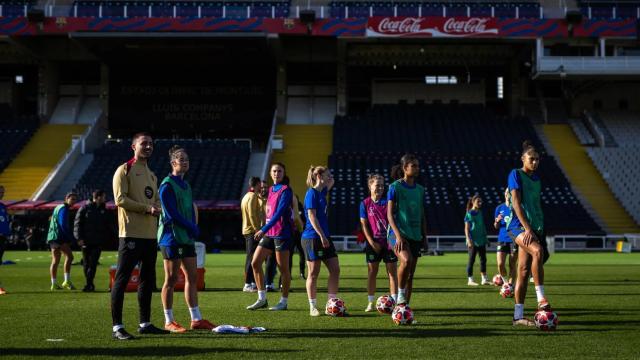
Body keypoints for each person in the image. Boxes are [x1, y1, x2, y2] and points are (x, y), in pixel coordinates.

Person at [111, 132, 169, 340]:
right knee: (122, 280)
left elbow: (154, 201)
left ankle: (145, 323)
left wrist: (158, 206)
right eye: (143, 143)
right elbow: (120, 200)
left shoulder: (152, 174)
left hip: (149, 235)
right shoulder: (124, 170)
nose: (148, 146)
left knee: (147, 280)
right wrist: (147, 208)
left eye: (151, 144)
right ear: (133, 147)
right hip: (130, 234)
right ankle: (117, 326)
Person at [158, 145, 215, 332]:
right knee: (172, 278)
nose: (185, 162)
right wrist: (190, 226)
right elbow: (171, 214)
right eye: (181, 159)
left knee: (192, 276)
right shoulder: (166, 185)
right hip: (171, 237)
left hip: (186, 237)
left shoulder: (186, 185)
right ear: (173, 163)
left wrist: (193, 225)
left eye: (187, 160)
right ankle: (168, 321)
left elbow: (189, 209)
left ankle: (196, 319)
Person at [507, 140, 551, 327]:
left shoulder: (537, 180)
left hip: (534, 228)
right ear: (523, 159)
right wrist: (527, 228)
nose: (535, 162)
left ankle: (518, 317)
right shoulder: (515, 174)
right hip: (518, 226)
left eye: (537, 159)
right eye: (531, 159)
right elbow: (516, 203)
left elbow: (535, 206)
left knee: (523, 271)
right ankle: (541, 299)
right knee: (538, 252)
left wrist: (538, 227)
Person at [247, 163, 292, 311]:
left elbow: (279, 213)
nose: (276, 173)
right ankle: (262, 298)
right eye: (274, 171)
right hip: (269, 234)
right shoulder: (271, 189)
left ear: (284, 173)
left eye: (279, 171)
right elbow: (269, 213)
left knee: (283, 269)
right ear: (270, 173)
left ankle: (283, 302)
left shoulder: (286, 190)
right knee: (255, 263)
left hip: (281, 234)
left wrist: (263, 228)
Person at [387, 154, 427, 306]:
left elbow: (422, 214)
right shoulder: (394, 187)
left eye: (417, 165)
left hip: (415, 234)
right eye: (414, 165)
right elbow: (389, 215)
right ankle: (400, 296)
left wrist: (425, 237)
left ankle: (404, 308)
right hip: (397, 233)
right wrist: (397, 236)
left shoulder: (420, 189)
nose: (417, 168)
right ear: (405, 168)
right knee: (406, 260)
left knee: (410, 274)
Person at [301, 165, 338, 317]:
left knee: (335, 270)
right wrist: (322, 236)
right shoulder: (311, 193)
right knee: (313, 273)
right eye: (327, 174)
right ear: (319, 177)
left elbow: (331, 182)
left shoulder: (322, 192)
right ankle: (313, 307)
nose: (330, 177)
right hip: (312, 237)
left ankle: (331, 304)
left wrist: (327, 177)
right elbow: (312, 217)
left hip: (324, 235)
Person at [360, 174, 397, 312]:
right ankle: (370, 302)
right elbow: (364, 225)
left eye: (382, 185)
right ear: (370, 186)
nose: (380, 188)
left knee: (392, 273)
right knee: (372, 272)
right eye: (377, 185)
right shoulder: (364, 204)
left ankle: (394, 302)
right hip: (373, 244)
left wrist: (393, 240)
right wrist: (371, 242)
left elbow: (394, 222)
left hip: (389, 243)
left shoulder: (388, 201)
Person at [74, 189, 114, 292]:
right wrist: (79, 238)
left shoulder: (104, 210)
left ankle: (89, 284)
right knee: (86, 264)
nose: (105, 199)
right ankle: (89, 284)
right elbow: (77, 224)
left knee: (93, 263)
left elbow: (109, 225)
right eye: (104, 197)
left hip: (98, 241)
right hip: (86, 241)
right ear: (97, 197)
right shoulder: (85, 208)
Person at [47, 192, 78, 291]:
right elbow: (63, 225)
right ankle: (66, 281)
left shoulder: (58, 207)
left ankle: (54, 284)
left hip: (52, 236)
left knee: (55, 260)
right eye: (72, 199)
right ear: (66, 198)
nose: (73, 201)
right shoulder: (64, 209)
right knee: (69, 256)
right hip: (59, 237)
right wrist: (70, 238)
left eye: (75, 199)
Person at [241, 177, 264, 292]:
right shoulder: (253, 196)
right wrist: (257, 230)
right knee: (252, 258)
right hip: (252, 231)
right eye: (261, 184)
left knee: (250, 257)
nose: (262, 186)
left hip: (246, 230)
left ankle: (250, 282)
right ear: (258, 184)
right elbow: (252, 215)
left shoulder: (246, 196)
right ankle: (247, 284)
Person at [464, 194, 491, 286]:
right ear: (473, 202)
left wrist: (486, 239)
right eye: (478, 201)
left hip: (481, 240)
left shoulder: (480, 212)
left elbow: (482, 226)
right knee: (471, 260)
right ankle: (470, 280)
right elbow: (466, 228)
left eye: (481, 201)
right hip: (473, 240)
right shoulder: (469, 213)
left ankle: (484, 279)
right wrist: (468, 239)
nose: (480, 203)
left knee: (483, 259)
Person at [494, 188, 516, 285]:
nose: (508, 194)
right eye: (507, 192)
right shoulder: (499, 208)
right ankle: (506, 283)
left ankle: (510, 285)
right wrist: (497, 221)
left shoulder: (516, 207)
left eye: (510, 192)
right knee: (500, 264)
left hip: (514, 239)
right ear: (504, 194)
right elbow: (496, 226)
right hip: (502, 239)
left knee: (512, 264)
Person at [259, 180, 278, 291]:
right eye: (262, 187)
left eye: (266, 187)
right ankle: (252, 283)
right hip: (259, 232)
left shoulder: (270, 200)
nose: (264, 189)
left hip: (269, 233)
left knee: (271, 259)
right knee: (256, 260)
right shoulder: (256, 200)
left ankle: (268, 282)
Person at [0, 185, 9, 295]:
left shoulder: (2, 206)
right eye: (0, 192)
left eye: (3, 192)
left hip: (2, 237)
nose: (2, 194)